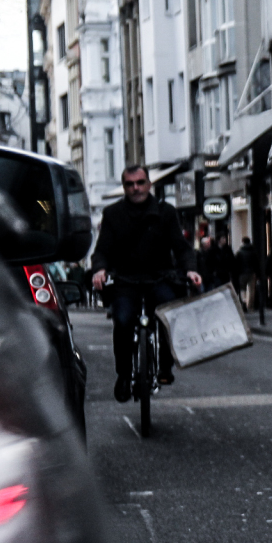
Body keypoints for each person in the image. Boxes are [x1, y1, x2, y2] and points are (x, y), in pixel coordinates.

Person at [90, 165, 203, 402]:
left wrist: (191, 270)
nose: (136, 188)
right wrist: (99, 270)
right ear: (124, 187)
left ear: (149, 184)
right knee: (122, 321)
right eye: (130, 184)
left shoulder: (166, 212)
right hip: (125, 280)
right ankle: (123, 374)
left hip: (159, 276)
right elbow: (102, 250)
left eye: (140, 183)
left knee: (167, 313)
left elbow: (181, 248)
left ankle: (164, 367)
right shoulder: (112, 214)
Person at [236, 236, 257, 310]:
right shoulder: (253, 251)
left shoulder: (240, 252)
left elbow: (237, 263)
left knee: (242, 289)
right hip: (252, 273)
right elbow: (256, 263)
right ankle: (250, 305)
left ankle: (244, 302)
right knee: (252, 290)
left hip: (242, 273)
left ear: (243, 242)